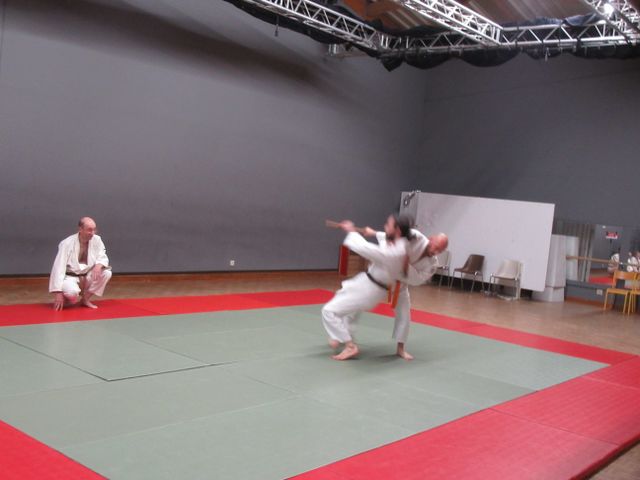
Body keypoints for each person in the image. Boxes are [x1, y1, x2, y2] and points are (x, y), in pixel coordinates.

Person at [322, 214, 412, 361]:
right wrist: (372, 232)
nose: (385, 226)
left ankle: (349, 346)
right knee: (343, 301)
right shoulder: (399, 242)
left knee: (328, 311)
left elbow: (366, 249)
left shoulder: (395, 252)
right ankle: (341, 336)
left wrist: (351, 231)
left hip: (370, 290)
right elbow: (385, 237)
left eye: (388, 225)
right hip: (367, 283)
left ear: (398, 231)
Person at [365, 228, 448, 361]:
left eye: (440, 251)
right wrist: (374, 233)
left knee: (404, 316)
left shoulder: (433, 264)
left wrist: (403, 265)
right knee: (358, 302)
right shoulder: (415, 236)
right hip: (382, 277)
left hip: (401, 285)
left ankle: (400, 349)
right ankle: (345, 337)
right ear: (431, 239)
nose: (436, 252)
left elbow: (417, 280)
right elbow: (393, 236)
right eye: (436, 247)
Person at [49, 217, 112, 310]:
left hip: (87, 275)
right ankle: (67, 298)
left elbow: (102, 255)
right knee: (72, 294)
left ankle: (85, 299)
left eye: (94, 229)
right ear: (80, 229)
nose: (93, 233)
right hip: (70, 277)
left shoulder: (97, 240)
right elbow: (58, 267)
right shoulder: (67, 243)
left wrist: (99, 265)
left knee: (106, 273)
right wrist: (58, 292)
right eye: (89, 230)